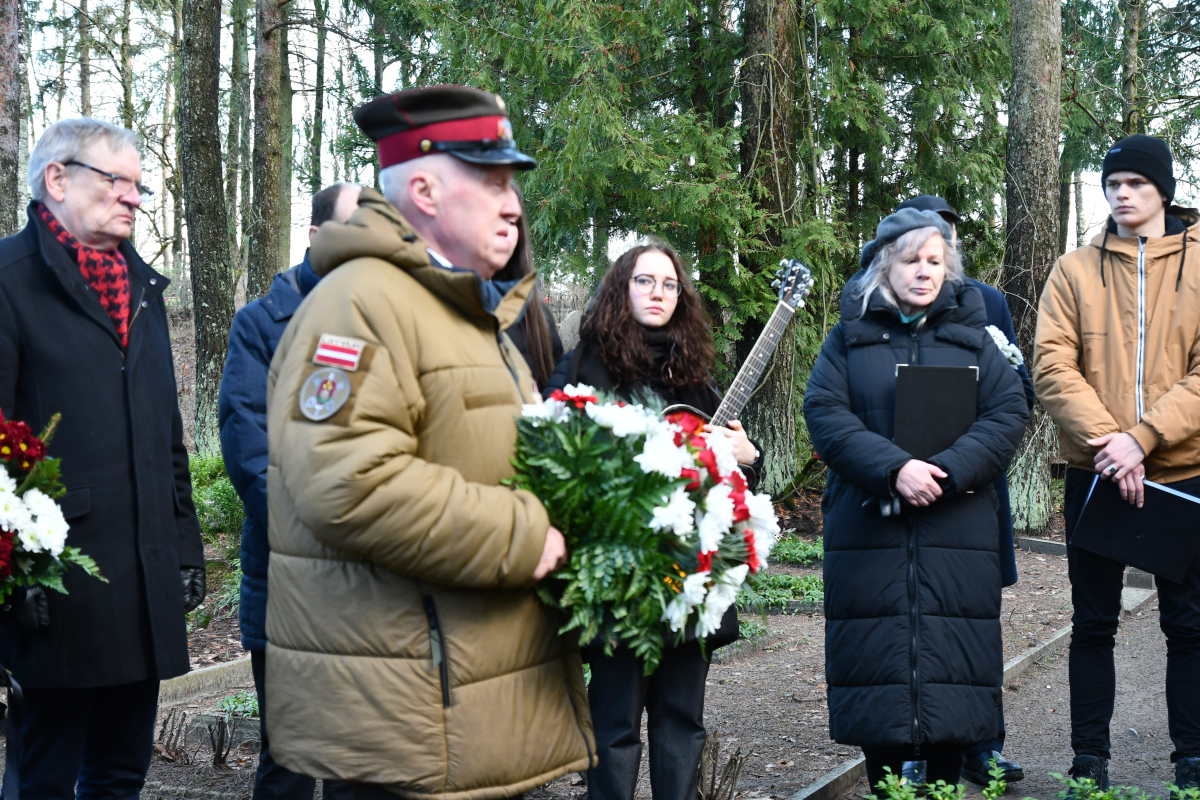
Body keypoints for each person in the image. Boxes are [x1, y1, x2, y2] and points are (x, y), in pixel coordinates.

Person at [263, 85, 595, 799]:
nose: (514, 205)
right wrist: (523, 534)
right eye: (493, 182)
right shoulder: (361, 304)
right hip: (408, 717)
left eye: (514, 186)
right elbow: (347, 481)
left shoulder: (463, 311)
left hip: (457, 709)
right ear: (423, 188)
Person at [0, 118, 205, 798]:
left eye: (139, 186)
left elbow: (165, 437)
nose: (134, 198)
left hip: (141, 581)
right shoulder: (9, 282)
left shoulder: (142, 290)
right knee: (43, 779)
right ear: (56, 179)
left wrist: (184, 550)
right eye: (117, 181)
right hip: (52, 592)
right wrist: (9, 574)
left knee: (120, 773)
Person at [803, 209, 1028, 792]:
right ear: (884, 266)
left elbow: (1008, 414)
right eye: (911, 261)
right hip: (870, 541)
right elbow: (825, 415)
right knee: (882, 698)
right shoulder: (848, 339)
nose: (923, 272)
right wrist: (895, 469)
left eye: (935, 261)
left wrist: (947, 472)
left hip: (957, 539)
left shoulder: (976, 339)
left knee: (953, 690)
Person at [545, 239, 763, 800]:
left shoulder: (695, 375)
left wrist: (745, 458)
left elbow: (731, 485)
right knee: (615, 722)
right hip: (620, 574)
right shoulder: (581, 368)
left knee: (681, 718)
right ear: (621, 289)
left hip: (691, 575)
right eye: (645, 281)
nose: (658, 293)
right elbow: (556, 465)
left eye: (669, 284)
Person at [1033, 134, 1200, 795]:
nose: (1122, 193)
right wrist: (1112, 443)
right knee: (1093, 622)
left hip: (1183, 471)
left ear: (1163, 189)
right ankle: (1088, 760)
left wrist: (1146, 437)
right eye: (1113, 183)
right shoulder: (1073, 271)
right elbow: (1052, 365)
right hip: (1095, 470)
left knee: (1188, 625)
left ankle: (1191, 760)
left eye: (1135, 182)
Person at [873, 196, 1034, 788]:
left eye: (942, 240)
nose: (929, 258)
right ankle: (912, 748)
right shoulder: (871, 306)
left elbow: (1017, 392)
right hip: (899, 492)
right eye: (918, 242)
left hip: (967, 490)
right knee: (910, 625)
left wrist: (960, 457)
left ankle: (984, 745)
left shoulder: (986, 301)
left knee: (972, 620)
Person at [218, 182, 361, 800]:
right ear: (315, 235)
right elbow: (245, 438)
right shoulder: (260, 323)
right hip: (289, 574)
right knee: (293, 754)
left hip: (378, 583)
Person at [491, 192, 562, 389]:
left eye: (513, 222)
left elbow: (554, 388)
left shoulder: (538, 314)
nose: (505, 230)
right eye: (494, 217)